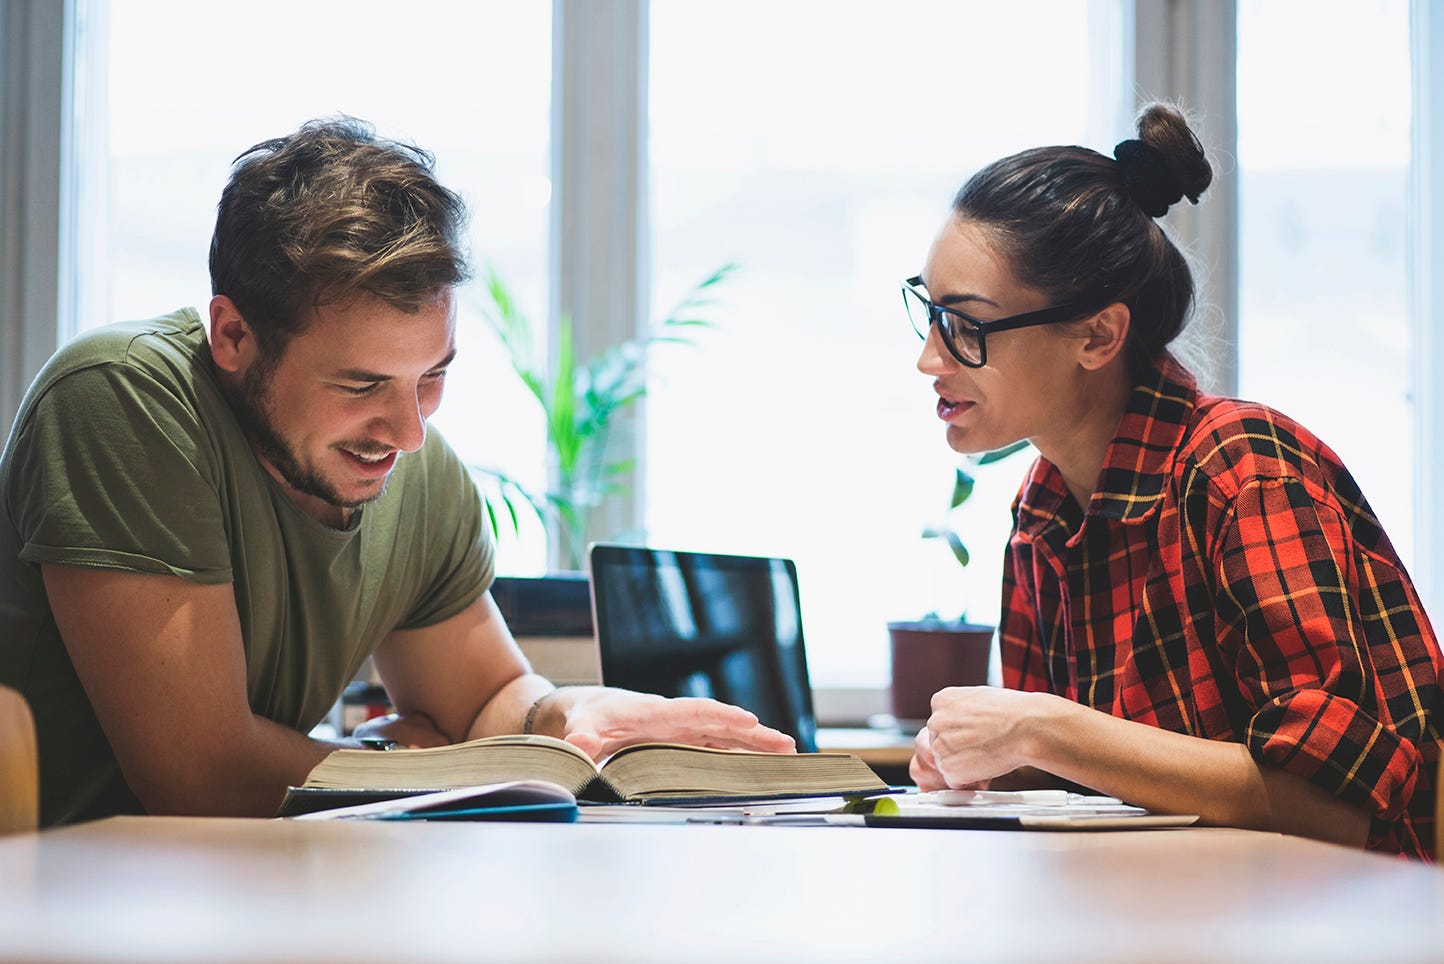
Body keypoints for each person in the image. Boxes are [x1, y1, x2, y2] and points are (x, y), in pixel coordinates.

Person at [0, 117, 792, 827]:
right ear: (234, 337)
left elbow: (485, 700)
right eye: (360, 385)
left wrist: (579, 714)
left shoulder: (415, 471)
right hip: (57, 901)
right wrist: (399, 768)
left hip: (241, 899)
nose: (409, 431)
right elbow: (199, 775)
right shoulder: (123, 398)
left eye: (433, 375)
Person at [903, 103, 1442, 860]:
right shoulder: (1043, 508)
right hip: (1181, 911)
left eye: (965, 324)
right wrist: (990, 758)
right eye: (928, 313)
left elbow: (1330, 809)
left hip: (1366, 920)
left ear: (1097, 335)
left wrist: (1043, 729)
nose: (931, 359)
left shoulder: (1243, 468)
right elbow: (1092, 777)